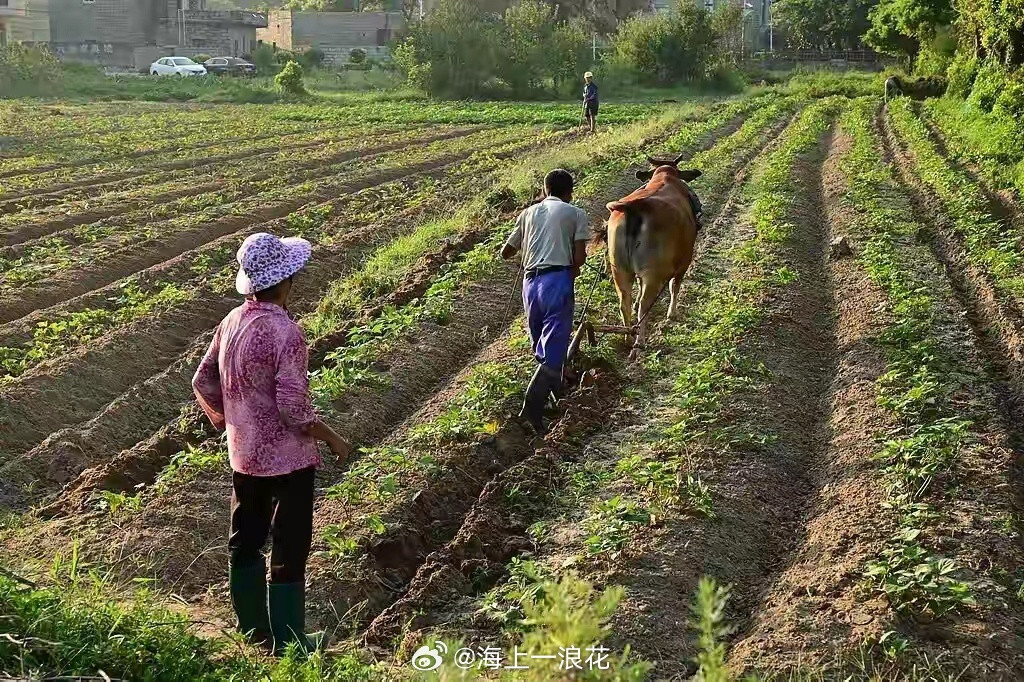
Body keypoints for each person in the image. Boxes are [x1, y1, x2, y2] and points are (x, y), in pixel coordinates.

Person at [192, 232, 350, 656]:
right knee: (289, 542)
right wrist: (333, 437)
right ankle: (290, 641)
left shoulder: (230, 323)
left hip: (244, 456)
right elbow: (294, 411)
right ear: (285, 282)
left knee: (245, 538)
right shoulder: (286, 332)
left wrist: (235, 422)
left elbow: (203, 381)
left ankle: (252, 631)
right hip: (289, 460)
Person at [501, 169, 591, 435]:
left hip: (530, 285)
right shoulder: (575, 213)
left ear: (545, 189)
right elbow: (579, 259)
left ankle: (554, 393)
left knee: (540, 345)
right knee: (553, 350)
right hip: (557, 282)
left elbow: (506, 252)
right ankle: (531, 409)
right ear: (569, 192)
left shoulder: (527, 213)